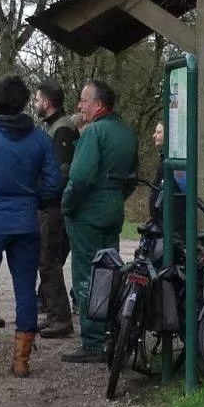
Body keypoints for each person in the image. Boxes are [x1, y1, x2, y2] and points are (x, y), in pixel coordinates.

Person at [0, 75, 64, 378]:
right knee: (25, 289)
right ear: (23, 103)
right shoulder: (40, 140)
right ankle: (21, 361)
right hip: (26, 223)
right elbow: (54, 183)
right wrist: (35, 203)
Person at [60, 79, 138, 364]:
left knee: (87, 274)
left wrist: (66, 204)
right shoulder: (127, 133)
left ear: (98, 105)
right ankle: (109, 331)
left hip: (88, 214)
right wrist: (114, 198)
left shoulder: (94, 133)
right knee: (111, 271)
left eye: (84, 100)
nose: (80, 105)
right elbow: (131, 179)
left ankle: (92, 340)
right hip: (113, 210)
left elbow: (79, 178)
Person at [33, 83, 80, 339]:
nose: (35, 103)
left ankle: (60, 318)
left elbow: (62, 171)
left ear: (47, 102)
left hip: (53, 205)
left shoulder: (61, 128)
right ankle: (54, 315)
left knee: (48, 260)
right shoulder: (55, 125)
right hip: (51, 203)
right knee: (48, 259)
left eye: (38, 99)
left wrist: (45, 196)